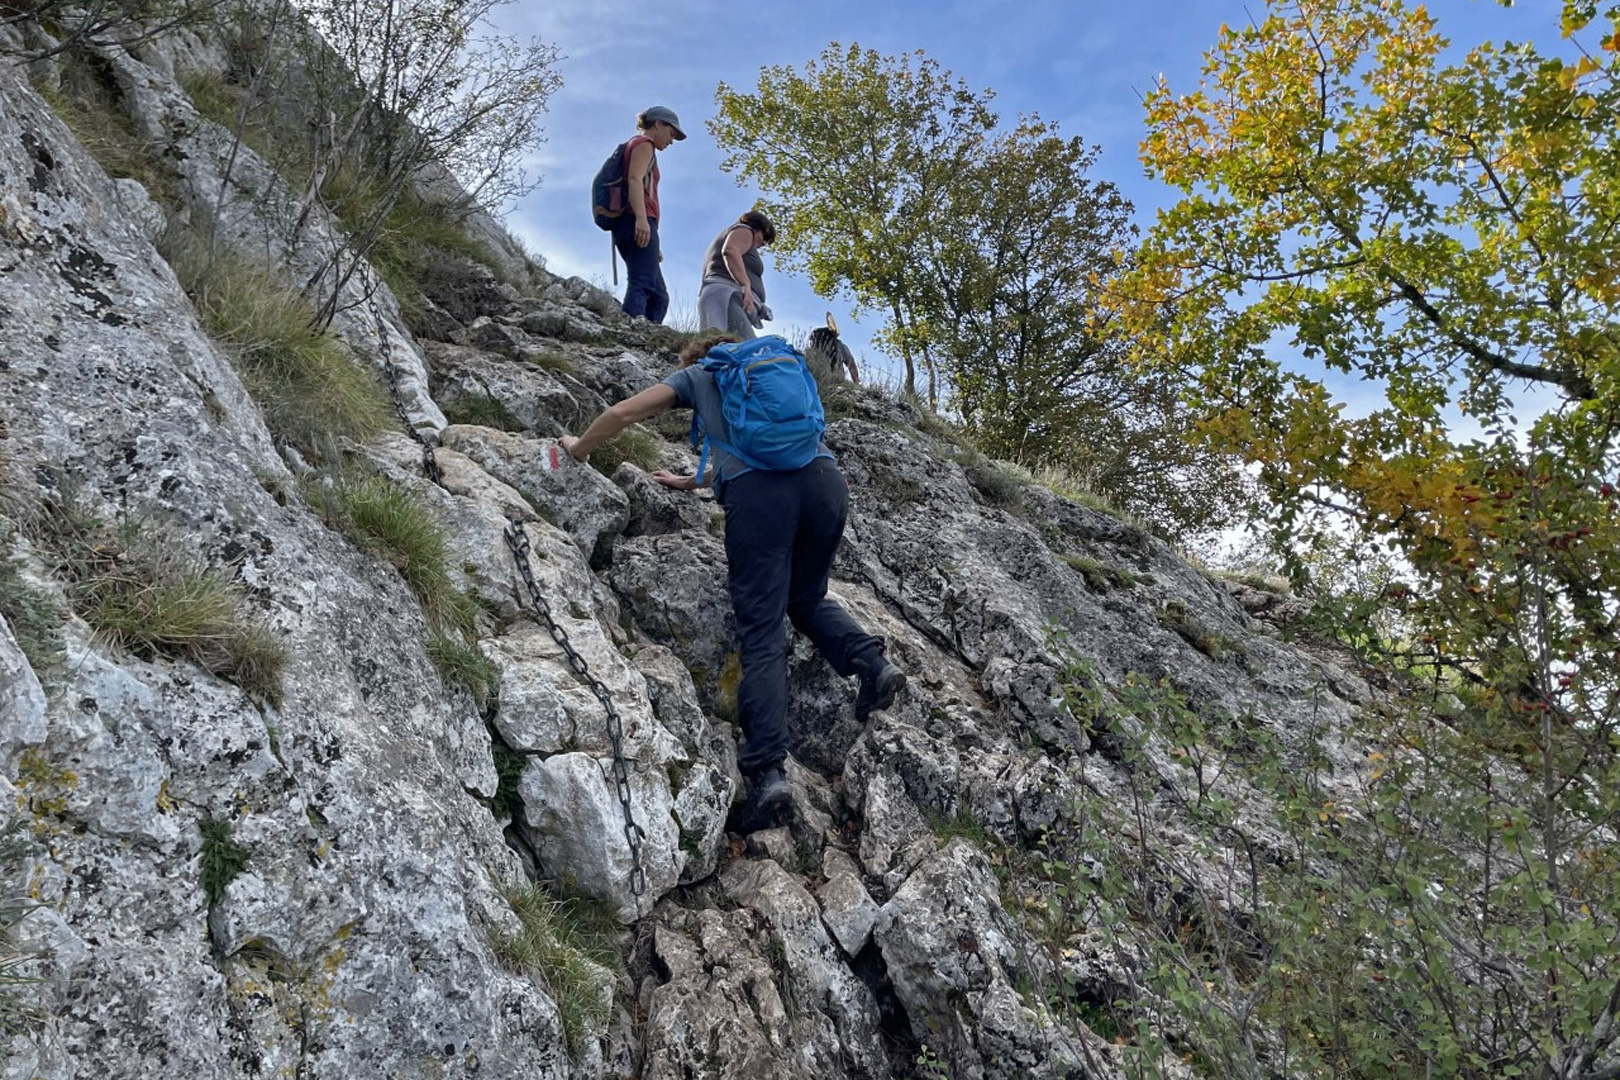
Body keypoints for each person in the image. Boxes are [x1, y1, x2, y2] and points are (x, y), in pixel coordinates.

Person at [559, 334, 907, 828]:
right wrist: (694, 480)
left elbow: (621, 415)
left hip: (763, 500)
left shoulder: (700, 375)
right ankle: (872, 665)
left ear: (700, 356)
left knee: (762, 632)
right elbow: (757, 444)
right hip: (826, 484)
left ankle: (768, 772)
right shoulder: (771, 369)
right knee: (806, 596)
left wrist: (579, 449)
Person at [613, 106, 685, 324]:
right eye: (671, 133)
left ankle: (646, 342)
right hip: (636, 220)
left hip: (635, 223)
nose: (671, 141)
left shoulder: (638, 145)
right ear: (658, 124)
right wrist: (642, 220)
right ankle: (629, 337)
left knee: (659, 297)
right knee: (642, 283)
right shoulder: (644, 144)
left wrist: (655, 244)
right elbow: (634, 180)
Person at [697, 211, 776, 339]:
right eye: (765, 239)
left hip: (723, 297)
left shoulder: (720, 243)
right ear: (762, 228)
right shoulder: (745, 229)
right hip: (727, 296)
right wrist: (745, 285)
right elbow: (730, 250)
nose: (763, 245)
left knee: (720, 348)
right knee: (747, 351)